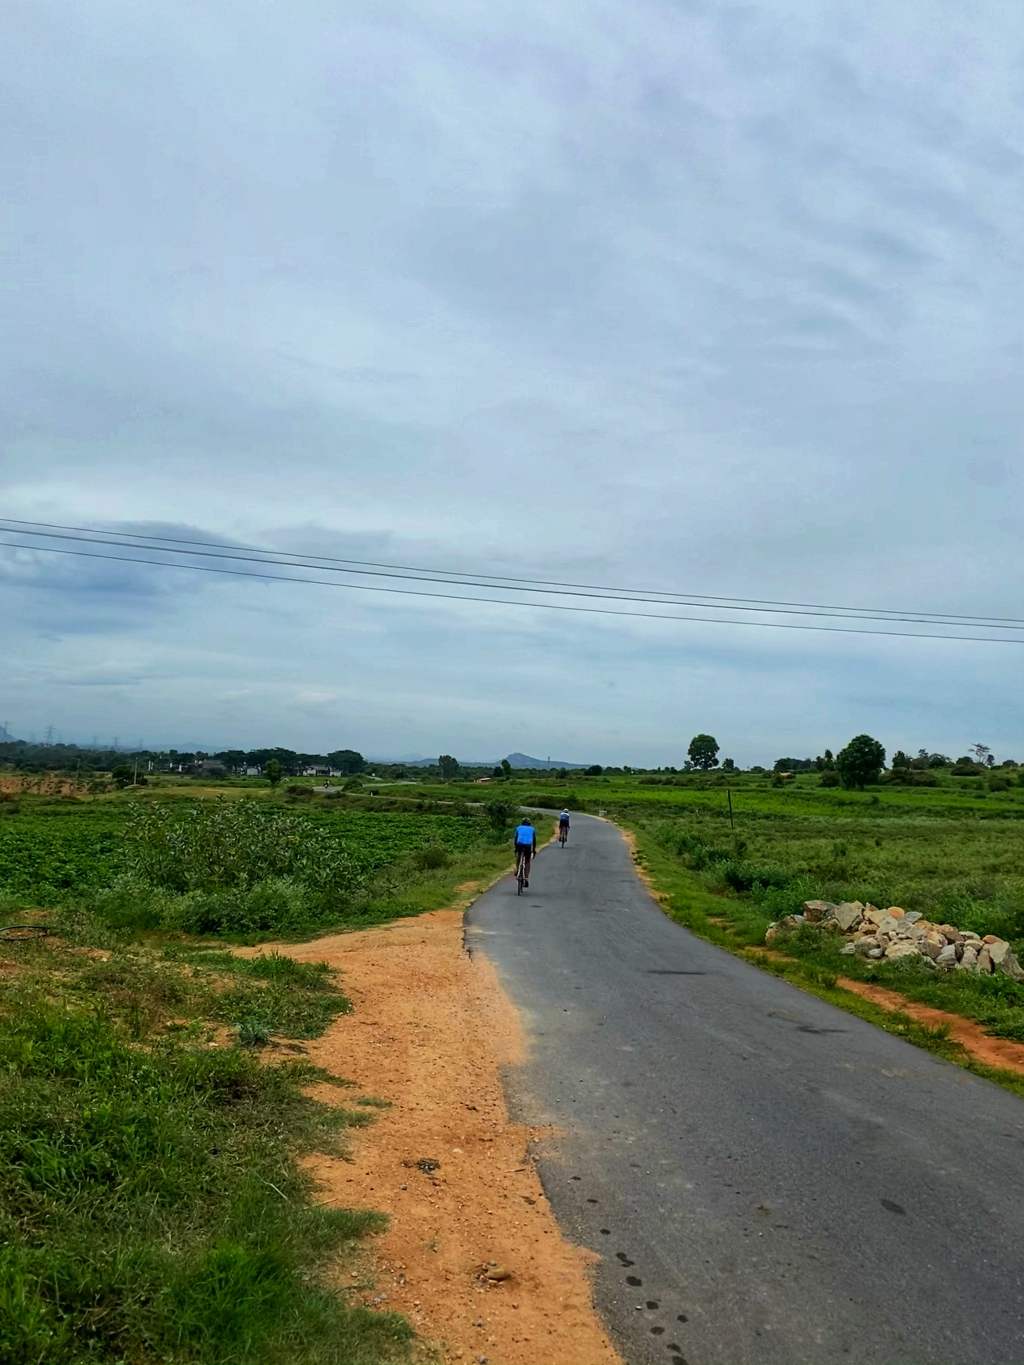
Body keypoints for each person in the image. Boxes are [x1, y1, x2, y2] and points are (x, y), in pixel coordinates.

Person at [513, 816, 537, 885]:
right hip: (528, 846)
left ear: (522, 823)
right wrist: (534, 850)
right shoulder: (532, 829)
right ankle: (526, 878)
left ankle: (518, 870)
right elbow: (534, 841)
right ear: (529, 823)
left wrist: (516, 849)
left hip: (519, 845)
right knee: (527, 861)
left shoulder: (518, 828)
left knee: (519, 856)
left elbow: (515, 839)